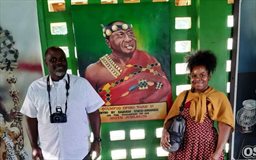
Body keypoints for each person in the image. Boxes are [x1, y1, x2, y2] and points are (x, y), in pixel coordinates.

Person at [20, 47, 104, 160]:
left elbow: (94, 112)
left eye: (62, 59)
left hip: (80, 153)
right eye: (53, 60)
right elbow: (30, 117)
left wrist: (97, 141)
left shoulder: (81, 85)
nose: (59, 63)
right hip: (49, 154)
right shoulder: (35, 88)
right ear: (46, 63)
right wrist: (34, 147)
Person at [160, 50, 235, 160]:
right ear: (190, 77)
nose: (198, 79)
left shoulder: (218, 97)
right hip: (184, 147)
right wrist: (164, 132)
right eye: (194, 75)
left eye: (202, 75)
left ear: (209, 76)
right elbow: (171, 118)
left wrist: (218, 153)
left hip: (207, 147)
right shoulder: (183, 96)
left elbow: (225, 126)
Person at [85, 20, 171, 106]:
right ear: (108, 43)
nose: (128, 39)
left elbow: (164, 88)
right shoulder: (94, 71)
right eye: (120, 35)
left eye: (130, 34)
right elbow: (91, 106)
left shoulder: (148, 60)